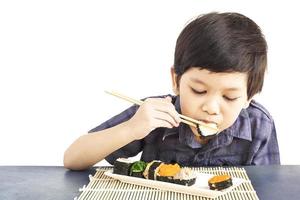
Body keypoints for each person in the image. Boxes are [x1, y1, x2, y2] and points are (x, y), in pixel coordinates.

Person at [64, 12, 280, 170]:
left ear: (249, 97)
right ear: (176, 81)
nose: (211, 108)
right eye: (198, 90)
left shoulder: (259, 124)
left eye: (229, 97)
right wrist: (131, 128)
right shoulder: (153, 113)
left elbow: (269, 187)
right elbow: (72, 159)